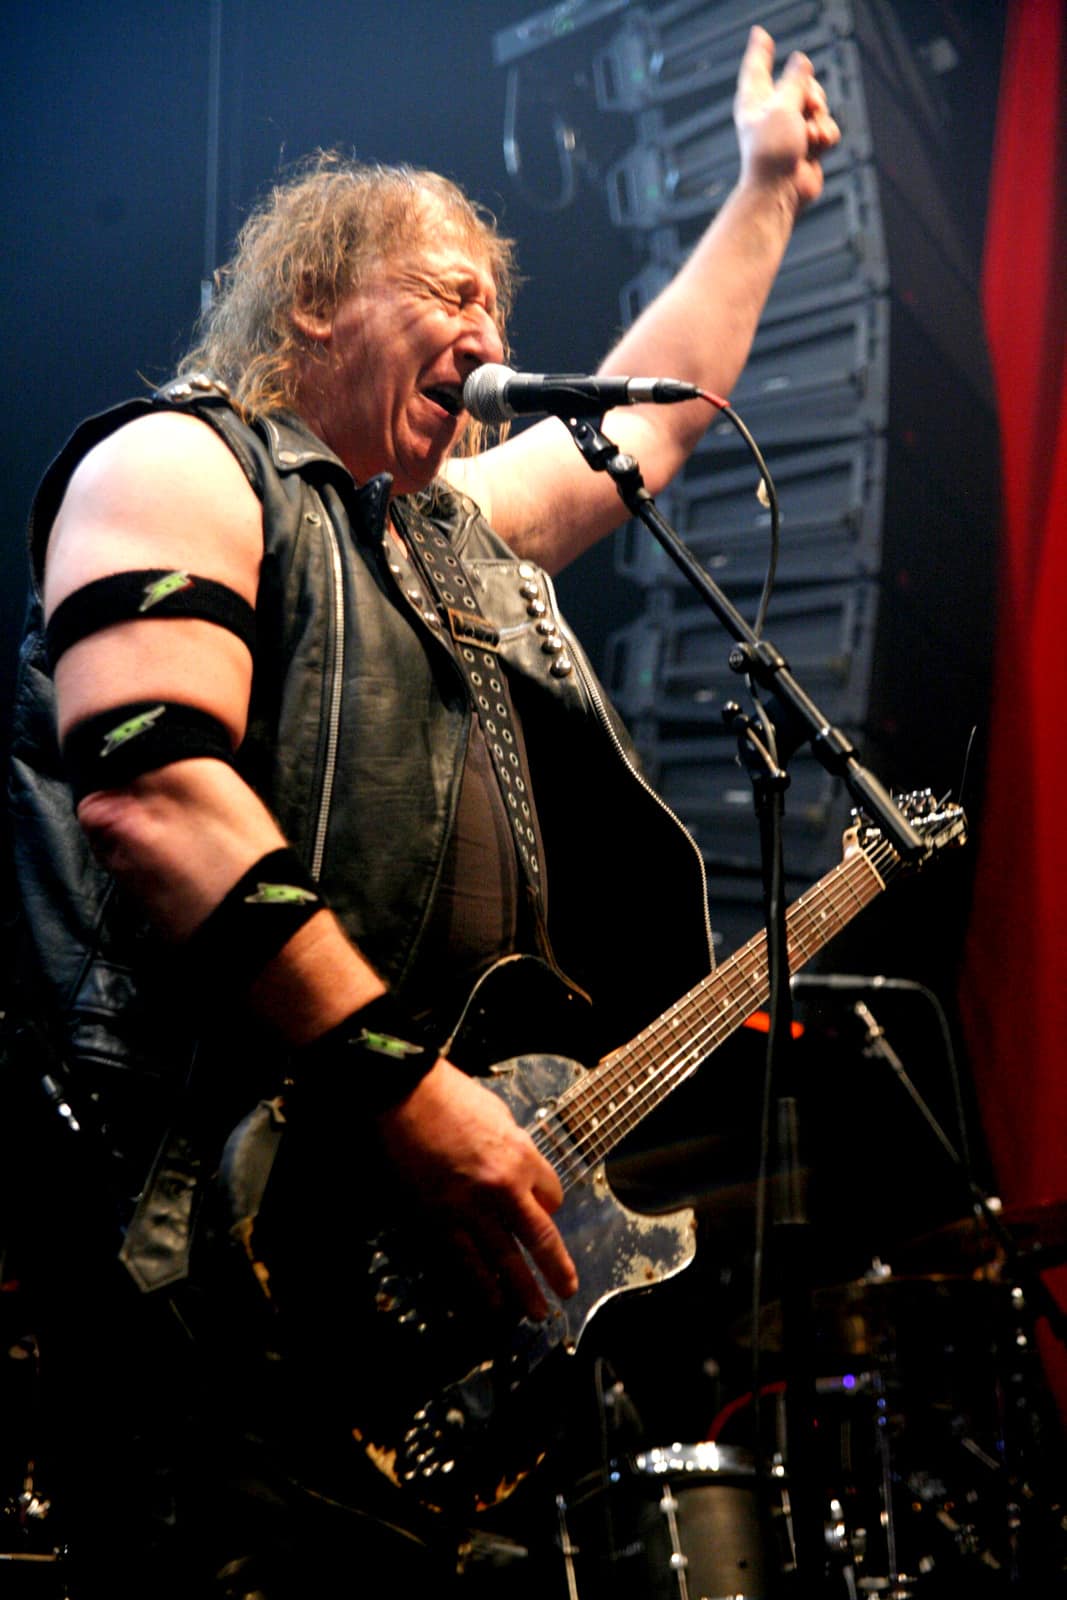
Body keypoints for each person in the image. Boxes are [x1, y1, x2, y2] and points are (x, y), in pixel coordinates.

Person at [7, 26, 838, 1597]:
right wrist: (402, 1083)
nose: (490, 334)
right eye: (453, 295)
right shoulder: (180, 463)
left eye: (499, 309)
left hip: (364, 1260)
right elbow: (155, 796)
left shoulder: (442, 535)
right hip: (191, 1226)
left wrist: (767, 190)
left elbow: (651, 430)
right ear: (317, 300)